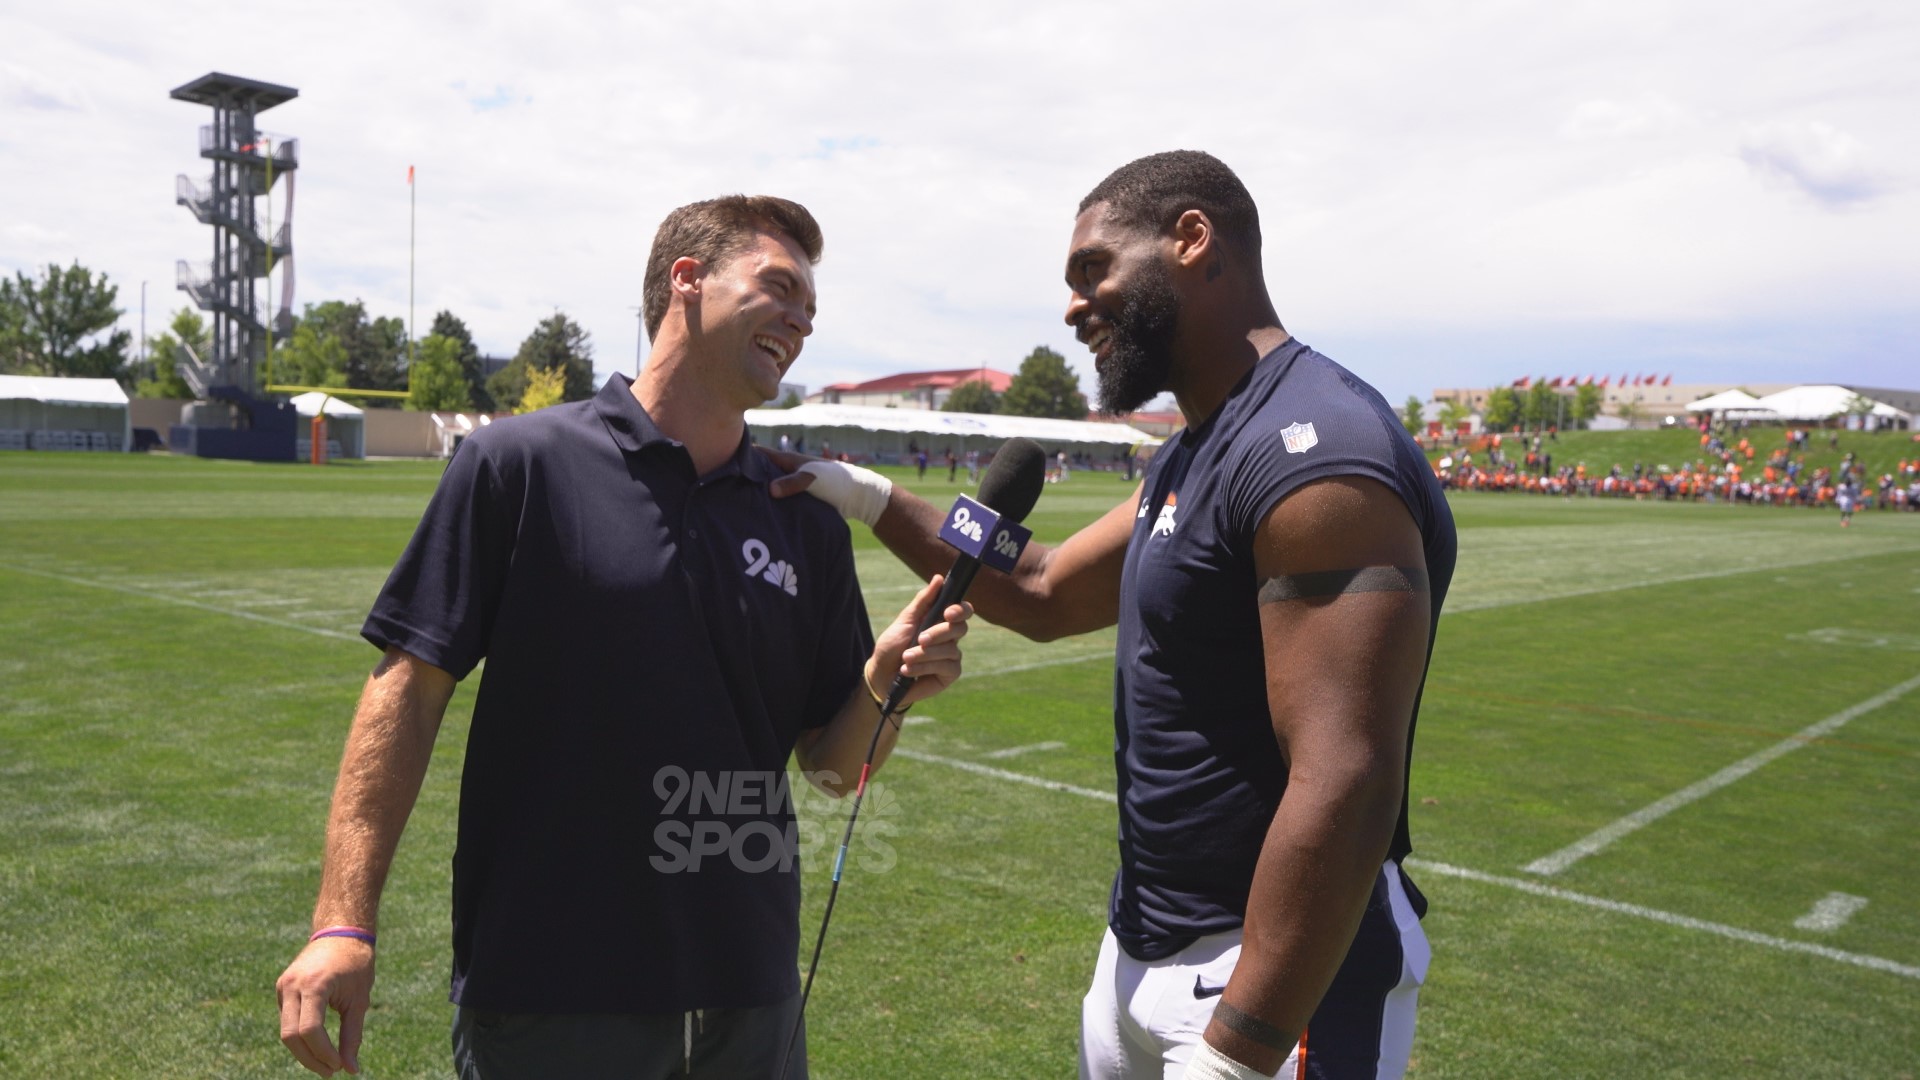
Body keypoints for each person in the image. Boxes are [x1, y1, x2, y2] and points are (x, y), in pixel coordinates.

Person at [774, 152, 1455, 1079]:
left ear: (1191, 239)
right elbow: (1046, 588)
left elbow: (1348, 778)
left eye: (1094, 269)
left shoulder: (1314, 451)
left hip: (1268, 979)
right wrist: (865, 496)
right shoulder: (1197, 449)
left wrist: (1239, 1052)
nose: (1072, 305)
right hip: (1143, 946)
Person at [274, 195, 974, 1080]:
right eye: (779, 286)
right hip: (553, 996)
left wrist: (882, 685)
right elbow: (407, 691)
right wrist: (343, 923)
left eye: (811, 307)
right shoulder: (520, 465)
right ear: (686, 281)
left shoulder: (806, 518)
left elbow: (832, 772)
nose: (801, 320)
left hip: (750, 1001)